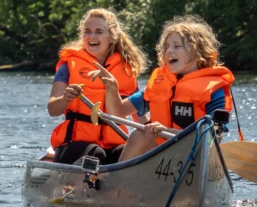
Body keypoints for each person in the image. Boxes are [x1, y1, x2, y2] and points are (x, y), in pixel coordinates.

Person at [96, 15, 235, 163]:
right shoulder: (160, 84)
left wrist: (168, 131)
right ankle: (118, 182)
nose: (169, 51)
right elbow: (118, 112)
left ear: (198, 51)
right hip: (165, 160)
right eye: (166, 46)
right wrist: (112, 87)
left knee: (143, 134)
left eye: (177, 46)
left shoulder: (213, 90)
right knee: (140, 135)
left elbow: (213, 138)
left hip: (195, 156)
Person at [47, 8, 148, 165]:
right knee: (96, 153)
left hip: (113, 145)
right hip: (74, 145)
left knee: (130, 153)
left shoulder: (126, 70)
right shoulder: (68, 66)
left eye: (99, 32)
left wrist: (154, 137)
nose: (92, 37)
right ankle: (82, 186)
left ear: (112, 37)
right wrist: (65, 98)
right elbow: (53, 110)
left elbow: (140, 120)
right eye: (87, 31)